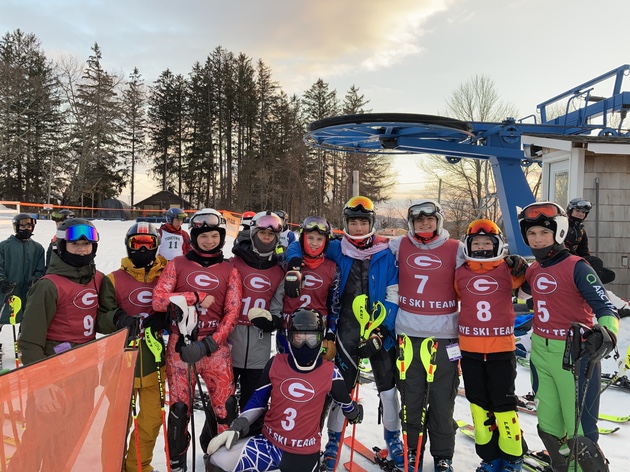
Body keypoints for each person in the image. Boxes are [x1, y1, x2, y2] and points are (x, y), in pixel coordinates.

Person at [11, 218, 141, 471]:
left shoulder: (97, 279)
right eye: (75, 244)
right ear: (61, 246)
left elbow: (97, 320)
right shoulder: (48, 286)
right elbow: (29, 342)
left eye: (87, 244)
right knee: (38, 440)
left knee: (69, 439)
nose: (82, 249)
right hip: (53, 374)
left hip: (85, 372)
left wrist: (117, 319)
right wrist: (41, 386)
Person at [285, 196, 402, 471]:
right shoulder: (337, 248)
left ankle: (394, 439)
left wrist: (383, 330)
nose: (358, 228)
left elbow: (393, 292)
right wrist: (293, 263)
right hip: (347, 327)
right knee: (340, 387)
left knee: (387, 387)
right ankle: (334, 441)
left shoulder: (385, 252)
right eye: (353, 222)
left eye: (363, 222)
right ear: (345, 224)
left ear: (371, 223)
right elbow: (298, 243)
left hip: (378, 326)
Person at [517, 201, 618, 471]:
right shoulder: (534, 270)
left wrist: (607, 332)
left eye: (544, 233)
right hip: (540, 352)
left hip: (574, 355)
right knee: (549, 426)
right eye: (532, 234)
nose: (537, 240)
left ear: (559, 233)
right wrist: (508, 269)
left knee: (581, 431)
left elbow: (607, 308)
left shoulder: (578, 267)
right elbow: (521, 296)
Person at [204, 308, 363, 472]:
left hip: (304, 456)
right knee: (216, 461)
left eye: (312, 338)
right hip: (269, 445)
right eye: (299, 338)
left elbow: (345, 402)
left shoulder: (330, 372)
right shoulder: (276, 363)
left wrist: (354, 413)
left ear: (321, 339)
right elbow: (258, 401)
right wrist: (237, 427)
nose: (305, 345)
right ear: (289, 338)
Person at [152, 208, 242, 472]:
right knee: (180, 410)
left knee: (225, 408)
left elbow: (233, 311)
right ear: (194, 237)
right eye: (204, 236)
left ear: (221, 238)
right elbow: (158, 300)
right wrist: (195, 296)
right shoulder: (177, 264)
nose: (209, 241)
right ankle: (178, 463)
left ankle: (220, 460)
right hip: (181, 346)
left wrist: (209, 344)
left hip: (215, 348)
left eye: (214, 236)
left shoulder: (229, 269)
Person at [388, 199, 464, 472]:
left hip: (444, 337)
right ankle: (412, 450)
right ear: (411, 223)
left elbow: (485, 266)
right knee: (411, 398)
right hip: (408, 334)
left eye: (429, 219)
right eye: (418, 220)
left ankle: (443, 454)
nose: (424, 224)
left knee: (443, 400)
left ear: (438, 221)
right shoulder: (398, 245)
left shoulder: (457, 249)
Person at [455, 219, 528, 472]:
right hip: (470, 350)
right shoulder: (460, 272)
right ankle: (489, 459)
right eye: (477, 243)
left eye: (488, 242)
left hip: (501, 350)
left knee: (503, 406)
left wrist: (523, 265)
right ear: (468, 245)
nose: (483, 247)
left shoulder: (507, 271)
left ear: (497, 245)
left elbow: (530, 286)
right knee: (478, 406)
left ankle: (513, 459)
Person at [98, 221, 169, 472]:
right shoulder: (113, 279)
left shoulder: (167, 275)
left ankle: (138, 466)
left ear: (156, 245)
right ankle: (113, 465)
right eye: (135, 244)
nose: (141, 249)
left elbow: (181, 304)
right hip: (121, 361)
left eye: (147, 244)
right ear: (128, 246)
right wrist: (118, 318)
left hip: (154, 360)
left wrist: (167, 316)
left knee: (150, 422)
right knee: (118, 421)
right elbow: (101, 317)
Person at [229, 211, 285, 426]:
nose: (266, 237)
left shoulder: (279, 271)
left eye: (271, 235)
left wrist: (273, 322)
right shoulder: (233, 264)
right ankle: (213, 445)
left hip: (259, 347)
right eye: (262, 232)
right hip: (231, 342)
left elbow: (278, 308)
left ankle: (249, 447)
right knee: (224, 403)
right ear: (253, 232)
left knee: (253, 403)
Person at [280, 215, 340, 362]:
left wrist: (331, 333)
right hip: (288, 330)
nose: (314, 243)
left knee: (315, 379)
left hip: (318, 332)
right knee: (286, 372)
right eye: (310, 238)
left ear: (326, 242)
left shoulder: (333, 269)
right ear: (302, 238)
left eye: (319, 239)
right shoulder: (286, 263)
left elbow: (335, 305)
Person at [564, 197, 630, 317]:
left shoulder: (580, 231)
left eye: (583, 212)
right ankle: (596, 301)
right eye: (578, 211)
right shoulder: (563, 226)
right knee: (596, 262)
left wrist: (586, 267)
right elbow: (561, 249)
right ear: (570, 211)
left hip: (575, 263)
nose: (580, 214)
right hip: (563, 262)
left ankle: (587, 291)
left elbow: (584, 252)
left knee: (609, 274)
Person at [0, 213, 45, 326]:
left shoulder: (37, 248)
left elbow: (40, 269)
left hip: (27, 292)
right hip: (8, 292)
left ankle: (23, 341)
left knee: (27, 320)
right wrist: (2, 282)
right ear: (16, 227)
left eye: (29, 227)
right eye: (23, 227)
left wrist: (35, 280)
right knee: (4, 316)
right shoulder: (4, 246)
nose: (27, 229)